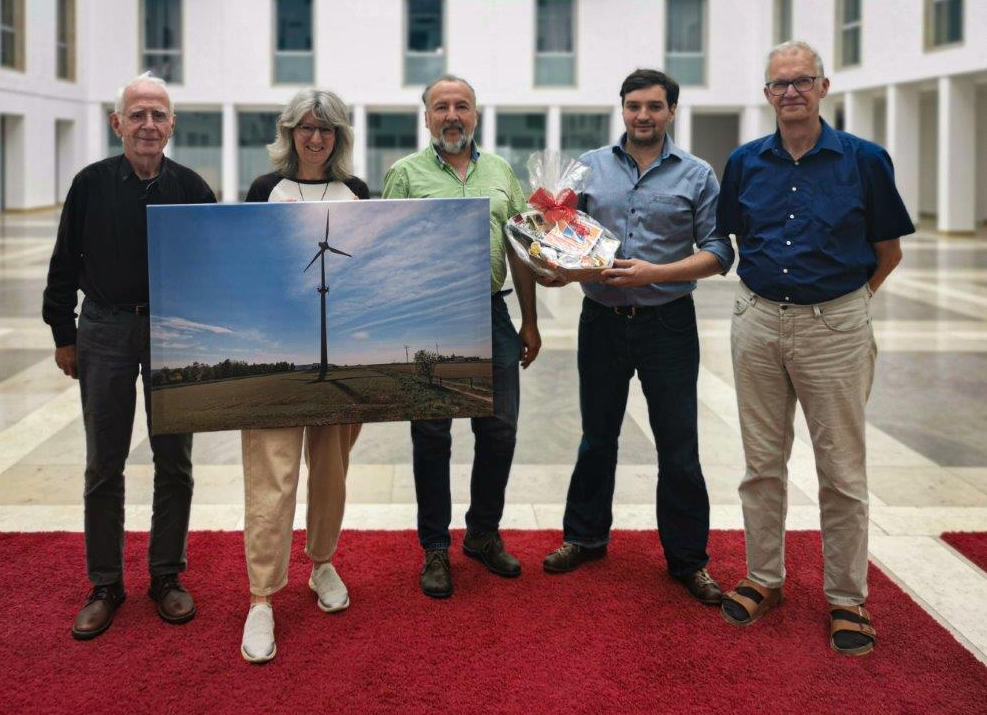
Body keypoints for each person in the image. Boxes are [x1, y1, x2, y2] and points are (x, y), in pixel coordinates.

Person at [715, 41, 914, 655]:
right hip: (758, 322)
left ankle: (846, 598)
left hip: (835, 327)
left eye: (803, 81)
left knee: (842, 471)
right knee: (761, 465)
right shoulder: (745, 162)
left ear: (824, 88)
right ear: (767, 94)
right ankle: (763, 577)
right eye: (780, 84)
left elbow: (888, 251)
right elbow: (732, 240)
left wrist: (843, 310)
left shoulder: (865, 161)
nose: (791, 92)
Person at [537, 69, 733, 604]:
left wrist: (655, 273)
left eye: (653, 106)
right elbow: (563, 241)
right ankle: (584, 537)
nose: (642, 115)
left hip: (668, 323)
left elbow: (719, 252)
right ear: (621, 109)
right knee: (597, 438)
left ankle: (688, 560)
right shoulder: (590, 169)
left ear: (671, 111)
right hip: (601, 320)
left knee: (679, 446)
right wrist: (553, 261)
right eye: (632, 106)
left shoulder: (696, 175)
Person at [43, 72, 216, 640]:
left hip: (173, 334)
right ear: (117, 123)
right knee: (104, 464)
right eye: (136, 114)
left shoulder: (193, 188)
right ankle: (105, 583)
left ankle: (166, 576)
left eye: (158, 115)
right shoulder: (89, 184)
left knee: (176, 463)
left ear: (172, 126)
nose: (148, 125)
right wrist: (63, 333)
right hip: (104, 331)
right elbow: (64, 263)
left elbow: (216, 267)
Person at [382, 74, 541, 599]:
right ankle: (434, 548)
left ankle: (482, 533)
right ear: (426, 117)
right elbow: (387, 254)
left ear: (476, 115)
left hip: (492, 314)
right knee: (432, 436)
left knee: (500, 432)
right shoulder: (404, 175)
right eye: (441, 106)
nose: (453, 115)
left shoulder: (501, 173)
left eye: (463, 106)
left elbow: (521, 248)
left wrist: (530, 321)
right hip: (430, 317)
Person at [238, 89, 369, 663]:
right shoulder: (264, 191)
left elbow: (363, 272)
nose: (316, 138)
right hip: (277, 351)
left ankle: (321, 564)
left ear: (339, 137)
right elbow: (253, 268)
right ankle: (261, 597)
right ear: (289, 132)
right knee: (273, 474)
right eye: (306, 128)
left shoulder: (358, 194)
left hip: (340, 347)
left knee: (332, 470)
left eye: (327, 130)